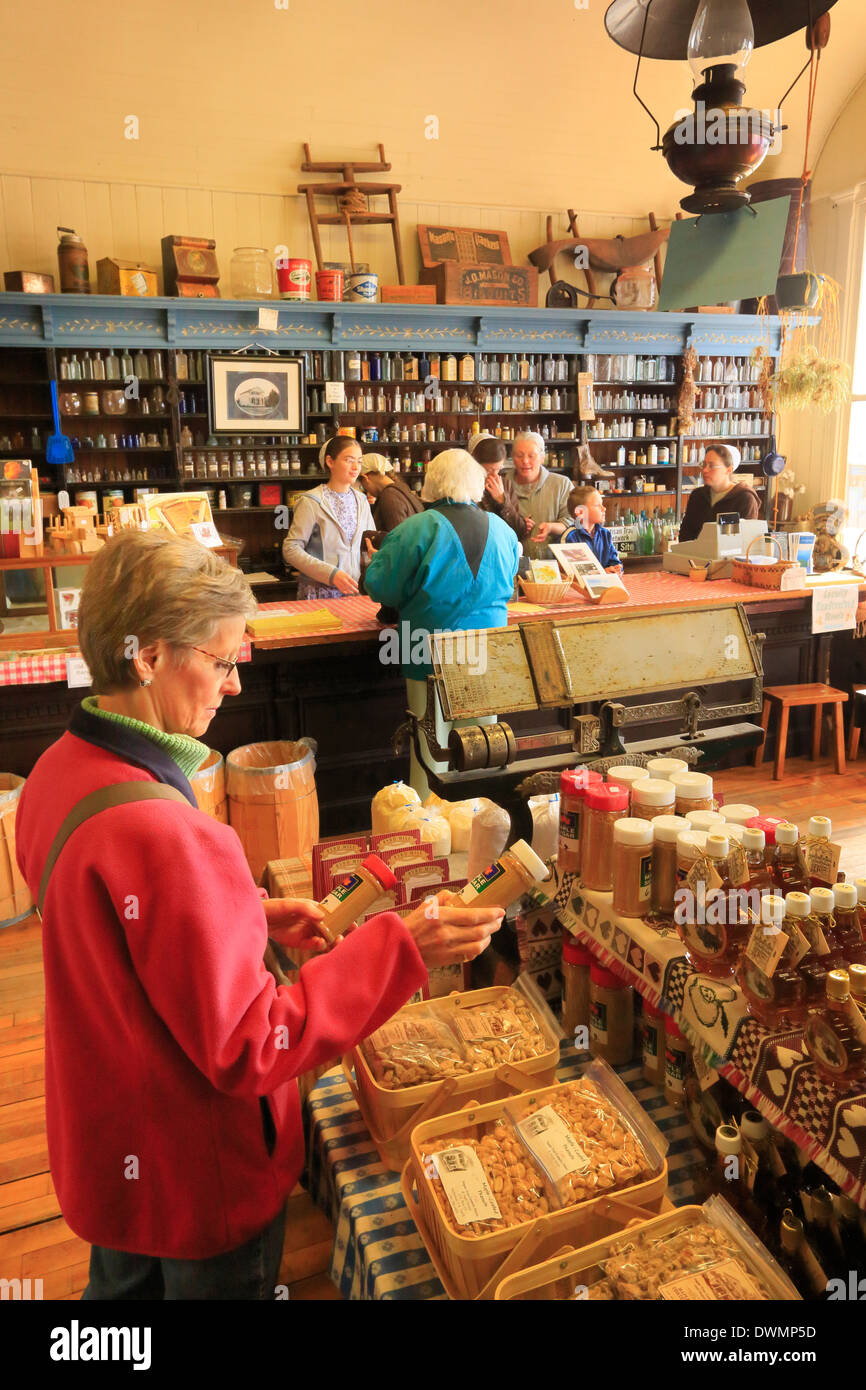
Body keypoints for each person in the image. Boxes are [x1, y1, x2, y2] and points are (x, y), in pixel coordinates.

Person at [15, 529, 503, 1299]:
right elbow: (251, 1044)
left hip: (115, 1147)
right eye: (219, 660)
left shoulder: (56, 771)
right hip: (197, 1171)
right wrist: (399, 947)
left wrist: (240, 912)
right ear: (148, 658)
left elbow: (117, 938)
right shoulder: (170, 835)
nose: (234, 685)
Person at [363, 449, 520, 797]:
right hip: (486, 651)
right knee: (482, 745)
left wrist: (376, 561)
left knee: (429, 747)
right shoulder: (504, 531)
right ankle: (479, 822)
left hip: (427, 651)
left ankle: (430, 831)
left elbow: (380, 587)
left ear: (431, 483)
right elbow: (509, 583)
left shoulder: (416, 529)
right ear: (478, 484)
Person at [282, 435, 375, 599]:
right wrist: (331, 574)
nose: (355, 467)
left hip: (355, 592)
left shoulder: (362, 500)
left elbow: (370, 543)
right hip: (319, 593)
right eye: (349, 460)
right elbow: (291, 549)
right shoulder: (311, 501)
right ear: (330, 462)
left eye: (359, 461)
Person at [504, 430, 573, 556]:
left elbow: (575, 523)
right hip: (513, 566)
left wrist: (551, 527)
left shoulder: (562, 484)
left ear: (542, 457)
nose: (525, 461)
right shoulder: (501, 486)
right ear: (512, 458)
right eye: (519, 455)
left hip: (555, 566)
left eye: (531, 456)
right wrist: (517, 525)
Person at [678, 445, 761, 543]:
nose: (705, 470)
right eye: (704, 465)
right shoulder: (697, 496)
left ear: (729, 470)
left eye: (712, 466)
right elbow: (685, 536)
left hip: (729, 558)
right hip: (694, 557)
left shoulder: (745, 498)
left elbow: (746, 542)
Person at [467, 433, 527, 540]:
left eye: (498, 469)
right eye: (489, 470)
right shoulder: (464, 486)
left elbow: (520, 532)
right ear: (475, 464)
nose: (495, 475)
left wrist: (503, 501)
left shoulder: (505, 484)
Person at [359, 452, 423, 548]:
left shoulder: (389, 495)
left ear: (366, 477)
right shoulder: (402, 488)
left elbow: (398, 541)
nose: (366, 489)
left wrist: (368, 537)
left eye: (362, 485)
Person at [563, 485, 623, 573]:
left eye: (602, 504)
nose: (604, 508)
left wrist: (617, 568)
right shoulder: (570, 537)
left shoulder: (605, 534)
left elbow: (614, 561)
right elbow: (573, 572)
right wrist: (603, 573)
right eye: (597, 505)